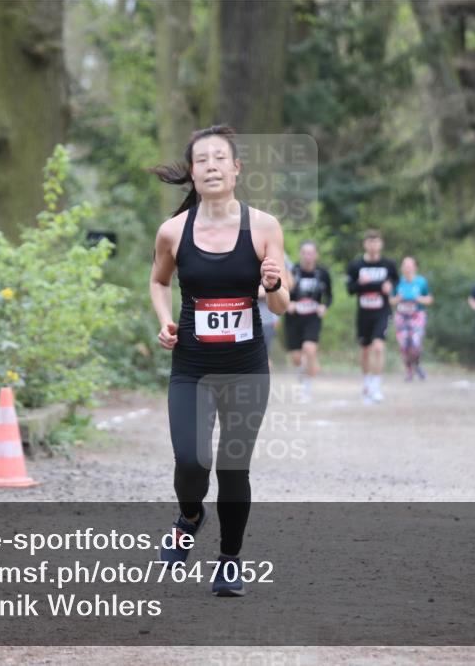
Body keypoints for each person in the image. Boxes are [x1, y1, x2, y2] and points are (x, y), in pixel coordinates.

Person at [149, 125, 290, 597]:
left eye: (219, 158)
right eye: (201, 159)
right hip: (191, 368)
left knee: (233, 469)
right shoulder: (173, 231)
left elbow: (281, 306)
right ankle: (190, 515)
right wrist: (166, 320)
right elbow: (159, 282)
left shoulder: (265, 226)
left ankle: (229, 561)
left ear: (235, 169)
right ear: (192, 172)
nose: (210, 165)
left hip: (247, 368)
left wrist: (272, 285)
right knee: (190, 463)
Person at [346, 230, 398, 403]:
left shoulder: (389, 264)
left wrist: (390, 287)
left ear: (381, 244)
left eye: (376, 242)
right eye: (370, 242)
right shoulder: (356, 265)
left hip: (382, 312)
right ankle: (367, 382)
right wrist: (359, 283)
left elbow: (396, 282)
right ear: (365, 244)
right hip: (364, 313)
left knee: (378, 347)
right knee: (365, 351)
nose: (373, 245)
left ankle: (376, 386)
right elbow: (350, 289)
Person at [284, 240, 333, 403]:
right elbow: (282, 290)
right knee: (297, 358)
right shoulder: (293, 270)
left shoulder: (322, 273)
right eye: (304, 253)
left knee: (309, 349)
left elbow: (329, 296)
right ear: (300, 254)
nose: (307, 256)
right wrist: (287, 303)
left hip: (312, 317)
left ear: (316, 255)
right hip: (294, 318)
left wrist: (324, 306)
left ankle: (306, 388)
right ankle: (307, 373)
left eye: (311, 253)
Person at [390, 257, 433, 381]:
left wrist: (419, 299)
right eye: (405, 265)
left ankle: (417, 364)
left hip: (417, 315)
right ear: (402, 268)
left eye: (410, 265)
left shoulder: (421, 282)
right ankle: (409, 371)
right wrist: (397, 299)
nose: (407, 268)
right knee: (404, 345)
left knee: (415, 343)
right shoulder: (397, 282)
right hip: (401, 316)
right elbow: (390, 300)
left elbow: (429, 299)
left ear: (415, 267)